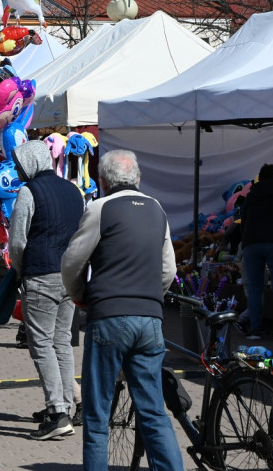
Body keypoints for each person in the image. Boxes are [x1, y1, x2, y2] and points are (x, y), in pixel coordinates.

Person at [61, 150, 181, 471]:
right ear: (138, 178)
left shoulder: (100, 208)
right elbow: (168, 268)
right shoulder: (157, 209)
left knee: (97, 415)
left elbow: (73, 261)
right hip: (150, 320)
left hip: (109, 316)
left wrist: (79, 295)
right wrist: (152, 297)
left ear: (101, 181)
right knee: (154, 411)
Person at [9, 140, 85, 440]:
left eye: (19, 164)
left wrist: (18, 269)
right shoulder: (73, 190)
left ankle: (57, 412)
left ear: (30, 162)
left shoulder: (29, 192)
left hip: (40, 274)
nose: (17, 170)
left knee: (41, 345)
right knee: (62, 343)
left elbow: (17, 241)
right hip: (70, 274)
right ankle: (67, 404)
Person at [239, 163, 273, 339]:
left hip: (251, 243)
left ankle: (255, 330)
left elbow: (243, 218)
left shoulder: (252, 194)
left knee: (255, 288)